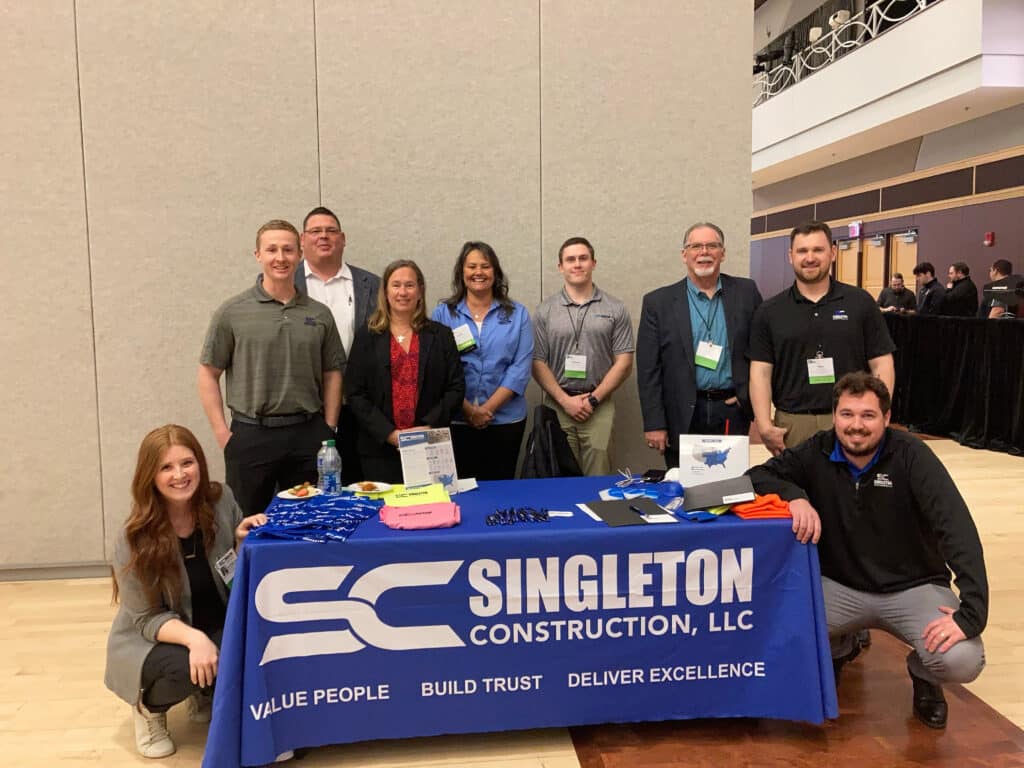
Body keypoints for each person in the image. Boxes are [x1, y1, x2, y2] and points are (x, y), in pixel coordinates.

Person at [747, 373, 987, 729]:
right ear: (834, 415)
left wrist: (971, 613)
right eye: (847, 414)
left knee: (961, 659)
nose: (855, 426)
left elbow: (958, 530)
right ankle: (839, 647)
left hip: (914, 587)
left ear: (887, 419)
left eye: (867, 416)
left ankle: (925, 676)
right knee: (773, 629)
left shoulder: (912, 457)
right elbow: (758, 475)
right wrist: (795, 497)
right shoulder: (817, 449)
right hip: (841, 587)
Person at [105, 425, 267, 758]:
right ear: (149, 475)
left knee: (256, 645)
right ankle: (148, 709)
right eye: (166, 467)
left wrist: (239, 544)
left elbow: (231, 582)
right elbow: (147, 619)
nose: (180, 475)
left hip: (210, 620)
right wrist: (196, 640)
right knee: (183, 666)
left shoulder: (221, 501)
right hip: (152, 638)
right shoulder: (133, 538)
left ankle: (204, 686)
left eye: (187, 463)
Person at [198, 220, 345, 517]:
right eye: (272, 250)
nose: (281, 257)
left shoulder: (319, 314)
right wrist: (222, 434)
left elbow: (333, 372)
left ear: (300, 253)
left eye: (288, 250)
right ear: (258, 255)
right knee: (246, 524)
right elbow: (208, 374)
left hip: (307, 433)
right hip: (251, 434)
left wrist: (328, 426)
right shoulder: (232, 311)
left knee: (308, 521)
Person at [748, 220, 895, 456]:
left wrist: (879, 412)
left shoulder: (860, 302)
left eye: (818, 250)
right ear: (790, 256)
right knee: (797, 491)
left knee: (852, 490)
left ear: (833, 252)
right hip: (792, 424)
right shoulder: (769, 311)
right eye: (802, 251)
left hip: (850, 421)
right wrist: (764, 424)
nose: (810, 257)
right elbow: (761, 372)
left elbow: (881, 362)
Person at [636, 222, 763, 468]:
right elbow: (648, 368)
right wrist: (654, 423)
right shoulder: (658, 303)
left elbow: (761, 350)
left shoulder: (746, 292)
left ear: (722, 253)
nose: (704, 252)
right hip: (682, 413)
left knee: (727, 483)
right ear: (684, 255)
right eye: (696, 246)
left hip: (731, 410)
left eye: (712, 246)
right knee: (684, 488)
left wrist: (749, 397)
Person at [345, 259, 465, 483]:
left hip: (430, 444)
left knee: (430, 510)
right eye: (396, 285)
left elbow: (456, 388)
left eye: (409, 285)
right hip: (379, 448)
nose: (403, 292)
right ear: (385, 292)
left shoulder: (441, 335)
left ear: (420, 291)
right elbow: (355, 393)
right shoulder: (367, 336)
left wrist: (427, 428)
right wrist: (390, 434)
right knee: (385, 513)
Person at [532, 236, 634, 476]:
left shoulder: (614, 308)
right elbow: (537, 361)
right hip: (557, 405)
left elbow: (624, 362)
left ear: (593, 263)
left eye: (583, 258)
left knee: (597, 477)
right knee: (558, 476)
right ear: (560, 267)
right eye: (570, 259)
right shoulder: (545, 310)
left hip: (598, 406)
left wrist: (594, 400)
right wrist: (565, 401)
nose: (577, 264)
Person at [431, 242, 533, 480]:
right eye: (472, 266)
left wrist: (487, 409)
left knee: (501, 490)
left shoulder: (518, 314)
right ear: (461, 272)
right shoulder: (443, 314)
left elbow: (520, 368)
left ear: (495, 272)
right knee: (461, 491)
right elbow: (439, 369)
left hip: (505, 420)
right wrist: (467, 410)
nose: (479, 272)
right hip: (457, 421)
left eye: (485, 266)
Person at [297, 206, 381, 485]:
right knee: (309, 487)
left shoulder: (372, 285)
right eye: (315, 231)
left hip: (360, 408)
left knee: (360, 485)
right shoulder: (284, 284)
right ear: (302, 240)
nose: (324, 237)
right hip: (306, 409)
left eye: (331, 231)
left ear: (342, 239)